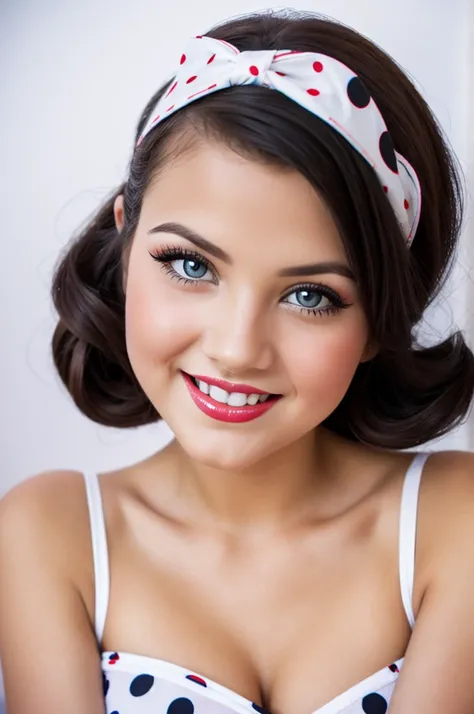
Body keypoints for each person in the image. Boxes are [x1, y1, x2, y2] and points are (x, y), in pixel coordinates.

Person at [2, 8, 474, 714]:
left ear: (380, 314)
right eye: (191, 265)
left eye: (310, 295)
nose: (236, 348)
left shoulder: (456, 522)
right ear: (126, 241)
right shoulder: (50, 534)